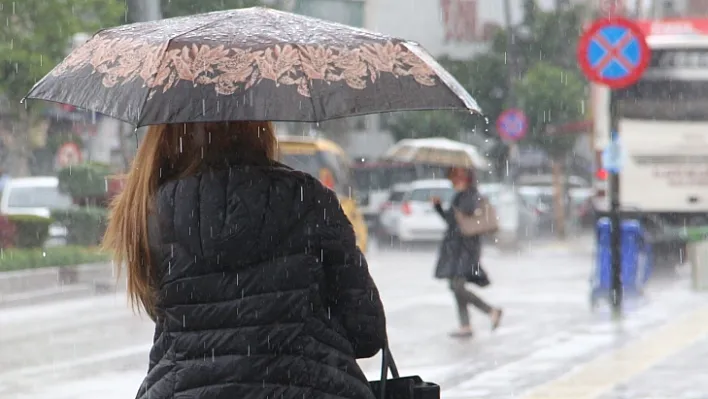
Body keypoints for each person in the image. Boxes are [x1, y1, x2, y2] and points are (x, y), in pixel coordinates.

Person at [103, 121, 387, 399]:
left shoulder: (151, 213)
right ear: (257, 125)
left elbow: (170, 319)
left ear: (169, 134)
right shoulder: (308, 199)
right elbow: (365, 332)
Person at [432, 167, 502, 338]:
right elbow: (451, 221)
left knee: (457, 285)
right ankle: (465, 325)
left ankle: (491, 310)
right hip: (455, 247)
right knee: (455, 285)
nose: (454, 180)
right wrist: (438, 207)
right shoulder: (460, 195)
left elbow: (465, 219)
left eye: (458, 176)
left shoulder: (471, 195)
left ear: (467, 178)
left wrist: (456, 209)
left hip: (466, 248)